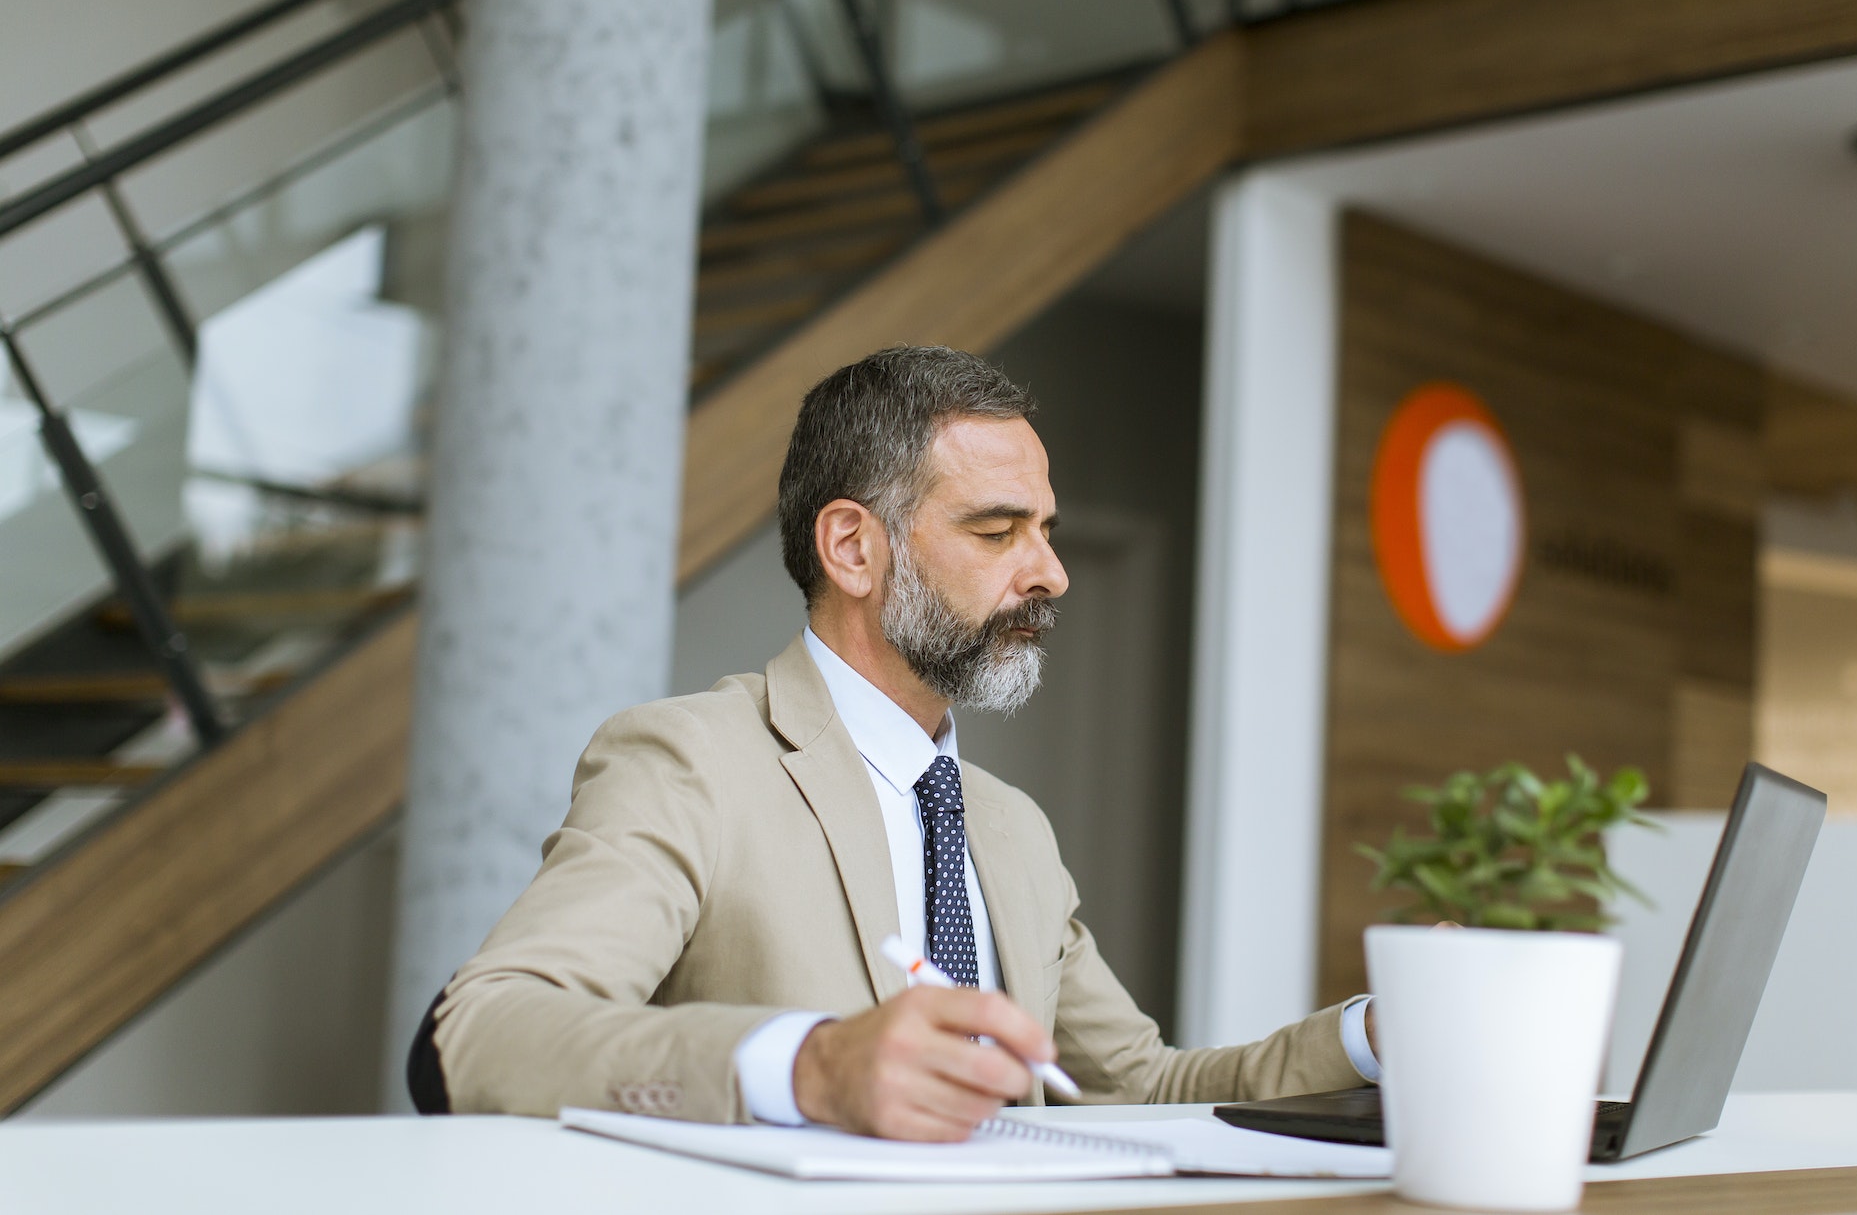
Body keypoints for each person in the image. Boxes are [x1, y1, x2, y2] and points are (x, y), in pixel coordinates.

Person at [418, 345, 1379, 1138]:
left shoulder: (1013, 831)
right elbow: (482, 1032)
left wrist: (1377, 1035)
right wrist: (810, 1065)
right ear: (852, 548)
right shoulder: (691, 763)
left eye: (1045, 530)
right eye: (999, 531)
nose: (1051, 573)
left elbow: (1147, 1086)